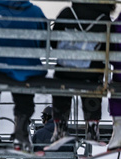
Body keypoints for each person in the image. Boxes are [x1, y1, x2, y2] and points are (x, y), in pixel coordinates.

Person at [0, 0, 47, 152]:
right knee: (24, 93)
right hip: (27, 71)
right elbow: (44, 42)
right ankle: (20, 133)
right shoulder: (36, 12)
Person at [51, 2, 115, 142]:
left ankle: (61, 126)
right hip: (90, 74)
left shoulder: (67, 13)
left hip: (65, 72)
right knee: (94, 80)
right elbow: (109, 49)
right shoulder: (104, 19)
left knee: (60, 83)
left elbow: (53, 42)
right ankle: (92, 126)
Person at [108, 11, 121, 150]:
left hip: (120, 73)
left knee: (116, 92)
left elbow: (110, 53)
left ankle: (118, 133)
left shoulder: (116, 25)